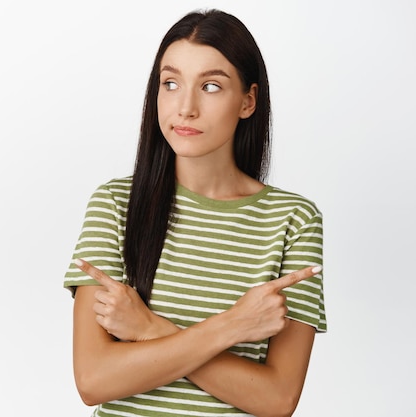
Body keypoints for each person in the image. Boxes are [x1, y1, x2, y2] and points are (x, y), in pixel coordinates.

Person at [64, 8, 325, 417]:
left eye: (211, 86)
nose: (185, 107)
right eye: (171, 83)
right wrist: (232, 326)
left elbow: (278, 398)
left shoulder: (292, 219)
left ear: (248, 101)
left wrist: (150, 330)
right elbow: (94, 380)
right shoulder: (115, 204)